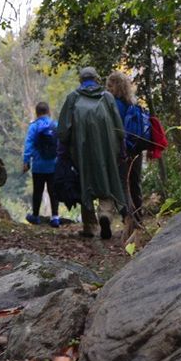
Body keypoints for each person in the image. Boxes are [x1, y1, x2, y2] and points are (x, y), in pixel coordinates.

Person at [57, 66, 126, 239]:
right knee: (107, 178)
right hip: (107, 148)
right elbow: (119, 127)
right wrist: (120, 145)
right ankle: (105, 215)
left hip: (81, 150)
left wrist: (65, 149)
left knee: (84, 181)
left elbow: (63, 130)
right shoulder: (107, 97)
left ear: (81, 80)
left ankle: (89, 226)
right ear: (96, 79)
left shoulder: (73, 98)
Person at [106, 70, 148, 226]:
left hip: (122, 149)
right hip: (136, 147)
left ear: (116, 86)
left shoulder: (112, 105)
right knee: (135, 182)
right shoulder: (133, 103)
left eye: (110, 86)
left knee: (122, 184)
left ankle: (129, 218)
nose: (108, 89)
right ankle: (139, 217)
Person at [21, 100, 61, 227]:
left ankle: (36, 216)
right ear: (48, 112)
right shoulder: (55, 125)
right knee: (53, 191)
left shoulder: (34, 126)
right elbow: (61, 143)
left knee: (37, 191)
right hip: (53, 164)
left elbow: (29, 145)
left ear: (37, 113)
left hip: (38, 165)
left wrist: (26, 161)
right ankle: (55, 217)